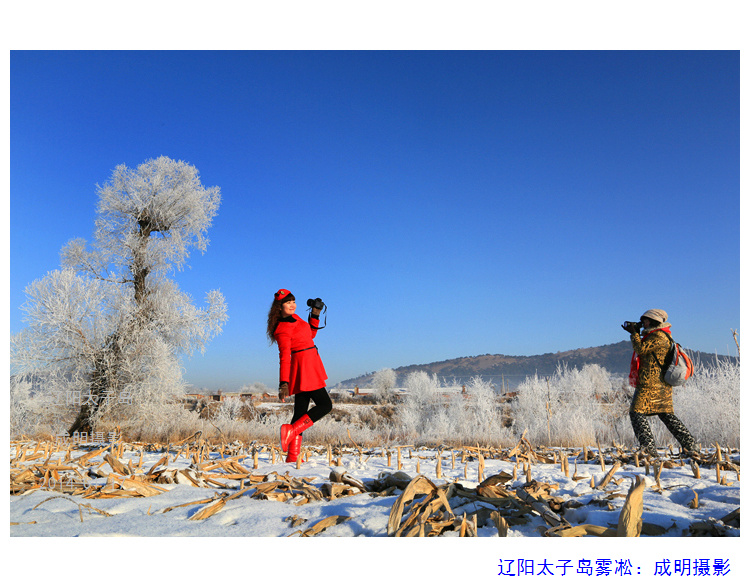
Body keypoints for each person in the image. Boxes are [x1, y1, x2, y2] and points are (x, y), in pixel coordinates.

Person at [266, 288, 332, 463]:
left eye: (293, 301)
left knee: (300, 412)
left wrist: (315, 314)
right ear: (279, 307)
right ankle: (291, 431)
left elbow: (310, 334)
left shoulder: (296, 319)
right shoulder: (281, 329)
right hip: (304, 368)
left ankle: (292, 456)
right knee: (325, 405)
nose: (292, 305)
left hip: (310, 363)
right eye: (288, 302)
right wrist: (283, 383)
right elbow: (284, 358)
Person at [622, 308, 696, 458]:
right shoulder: (660, 335)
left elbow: (641, 349)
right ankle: (690, 445)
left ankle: (648, 450)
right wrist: (636, 333)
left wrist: (634, 334)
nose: (643, 322)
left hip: (652, 385)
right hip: (658, 384)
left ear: (654, 321)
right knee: (666, 415)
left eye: (646, 320)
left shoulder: (659, 336)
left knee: (636, 413)